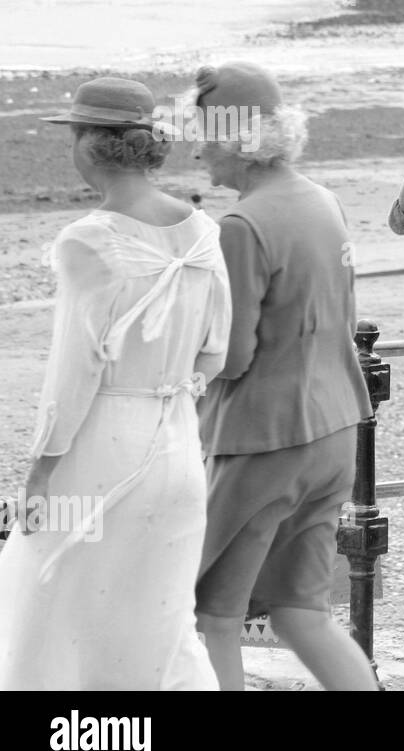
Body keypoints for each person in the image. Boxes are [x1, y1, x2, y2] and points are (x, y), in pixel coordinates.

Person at [0, 77, 229, 689]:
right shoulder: (204, 232)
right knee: (157, 617)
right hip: (176, 446)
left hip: (101, 444)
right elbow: (217, 353)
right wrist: (173, 396)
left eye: (74, 135)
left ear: (90, 146)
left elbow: (73, 374)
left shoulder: (87, 240)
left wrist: (40, 471)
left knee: (53, 604)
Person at [189, 62, 377, 691]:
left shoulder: (240, 227)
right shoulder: (323, 201)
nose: (196, 150)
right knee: (302, 613)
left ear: (238, 138)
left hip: (264, 440)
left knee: (213, 614)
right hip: (335, 428)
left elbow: (233, 355)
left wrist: (187, 382)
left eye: (207, 135)